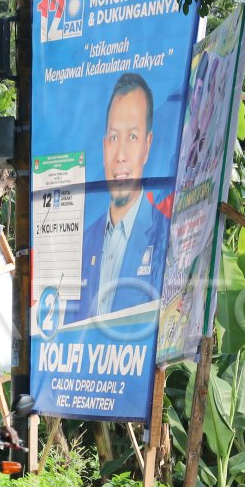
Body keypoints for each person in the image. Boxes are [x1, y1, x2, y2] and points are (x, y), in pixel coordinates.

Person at [67, 72, 171, 323]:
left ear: (147, 146)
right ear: (104, 147)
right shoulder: (80, 244)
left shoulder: (165, 235)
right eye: (114, 138)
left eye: (132, 137)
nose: (121, 155)